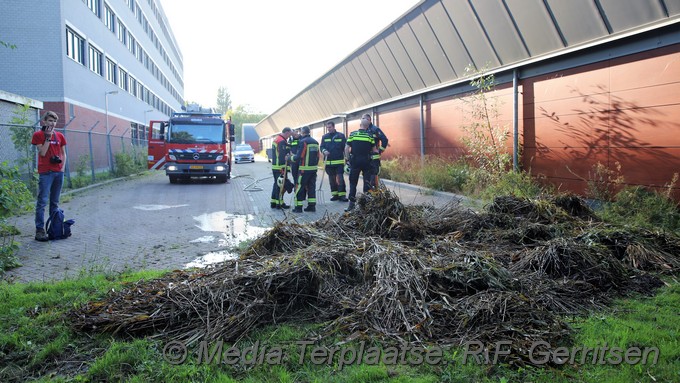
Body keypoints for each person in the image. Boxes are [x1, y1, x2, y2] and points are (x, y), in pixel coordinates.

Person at [32, 111, 67, 241]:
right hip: (45, 173)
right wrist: (47, 137)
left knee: (55, 202)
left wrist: (62, 168)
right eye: (50, 121)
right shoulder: (38, 135)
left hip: (58, 173)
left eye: (54, 121)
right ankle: (40, 231)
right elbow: (42, 153)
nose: (52, 123)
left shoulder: (60, 136)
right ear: (44, 121)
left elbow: (63, 154)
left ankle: (54, 228)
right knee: (42, 202)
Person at [344, 118, 375, 212]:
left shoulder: (353, 134)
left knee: (353, 183)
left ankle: (351, 206)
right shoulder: (370, 136)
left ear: (360, 125)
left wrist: (347, 158)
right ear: (368, 126)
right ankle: (365, 206)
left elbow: (346, 148)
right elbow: (374, 150)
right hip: (366, 161)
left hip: (355, 161)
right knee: (367, 183)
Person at [290, 126, 320, 213]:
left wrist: (290, 158)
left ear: (302, 133)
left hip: (303, 170)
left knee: (299, 187)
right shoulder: (315, 142)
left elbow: (299, 156)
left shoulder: (303, 142)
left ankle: (298, 208)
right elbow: (318, 156)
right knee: (311, 187)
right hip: (313, 169)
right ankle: (311, 206)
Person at [320, 121, 348, 202]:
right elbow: (321, 147)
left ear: (333, 126)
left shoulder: (341, 136)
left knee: (340, 178)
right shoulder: (324, 137)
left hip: (339, 162)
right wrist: (324, 151)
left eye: (330, 127)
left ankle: (342, 195)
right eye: (327, 127)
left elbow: (345, 148)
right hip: (328, 163)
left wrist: (347, 159)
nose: (328, 129)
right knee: (331, 179)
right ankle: (335, 195)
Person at [362, 113, 389, 189]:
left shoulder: (375, 129)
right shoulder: (363, 130)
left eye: (363, 119)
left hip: (374, 158)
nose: (362, 120)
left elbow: (384, 139)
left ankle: (373, 193)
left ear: (368, 120)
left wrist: (381, 150)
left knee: (373, 175)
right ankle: (367, 193)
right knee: (366, 176)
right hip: (365, 158)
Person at [270, 127, 292, 209]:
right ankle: (279, 204)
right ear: (286, 132)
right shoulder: (282, 141)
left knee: (276, 184)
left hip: (275, 166)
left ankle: (273, 202)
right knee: (281, 186)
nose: (289, 137)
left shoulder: (277, 139)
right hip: (280, 167)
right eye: (289, 135)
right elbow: (282, 156)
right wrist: (285, 168)